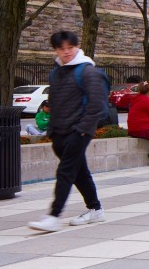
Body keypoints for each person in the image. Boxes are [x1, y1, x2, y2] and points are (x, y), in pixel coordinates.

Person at [28, 30, 107, 231]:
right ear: (55, 50)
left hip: (78, 131)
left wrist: (82, 129)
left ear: (77, 47)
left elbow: (97, 105)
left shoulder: (87, 71)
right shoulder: (56, 71)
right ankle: (95, 209)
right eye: (61, 48)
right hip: (59, 132)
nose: (66, 52)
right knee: (79, 171)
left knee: (65, 171)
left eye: (70, 47)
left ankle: (54, 216)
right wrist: (52, 130)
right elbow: (54, 103)